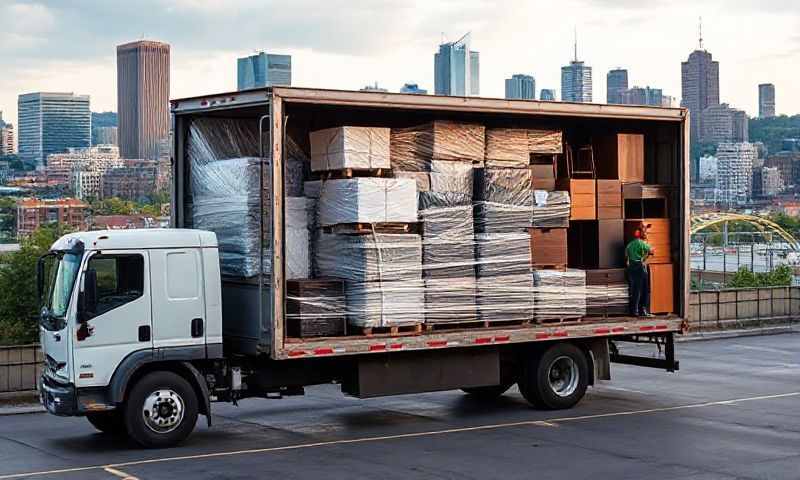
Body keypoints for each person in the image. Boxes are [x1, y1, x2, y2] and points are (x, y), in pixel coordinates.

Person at [625, 224, 654, 317]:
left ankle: (634, 311)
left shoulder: (630, 244)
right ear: (642, 234)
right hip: (639, 267)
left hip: (631, 268)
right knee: (645, 289)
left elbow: (626, 255)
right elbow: (651, 251)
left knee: (634, 289)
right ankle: (642, 310)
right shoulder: (642, 244)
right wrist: (648, 254)